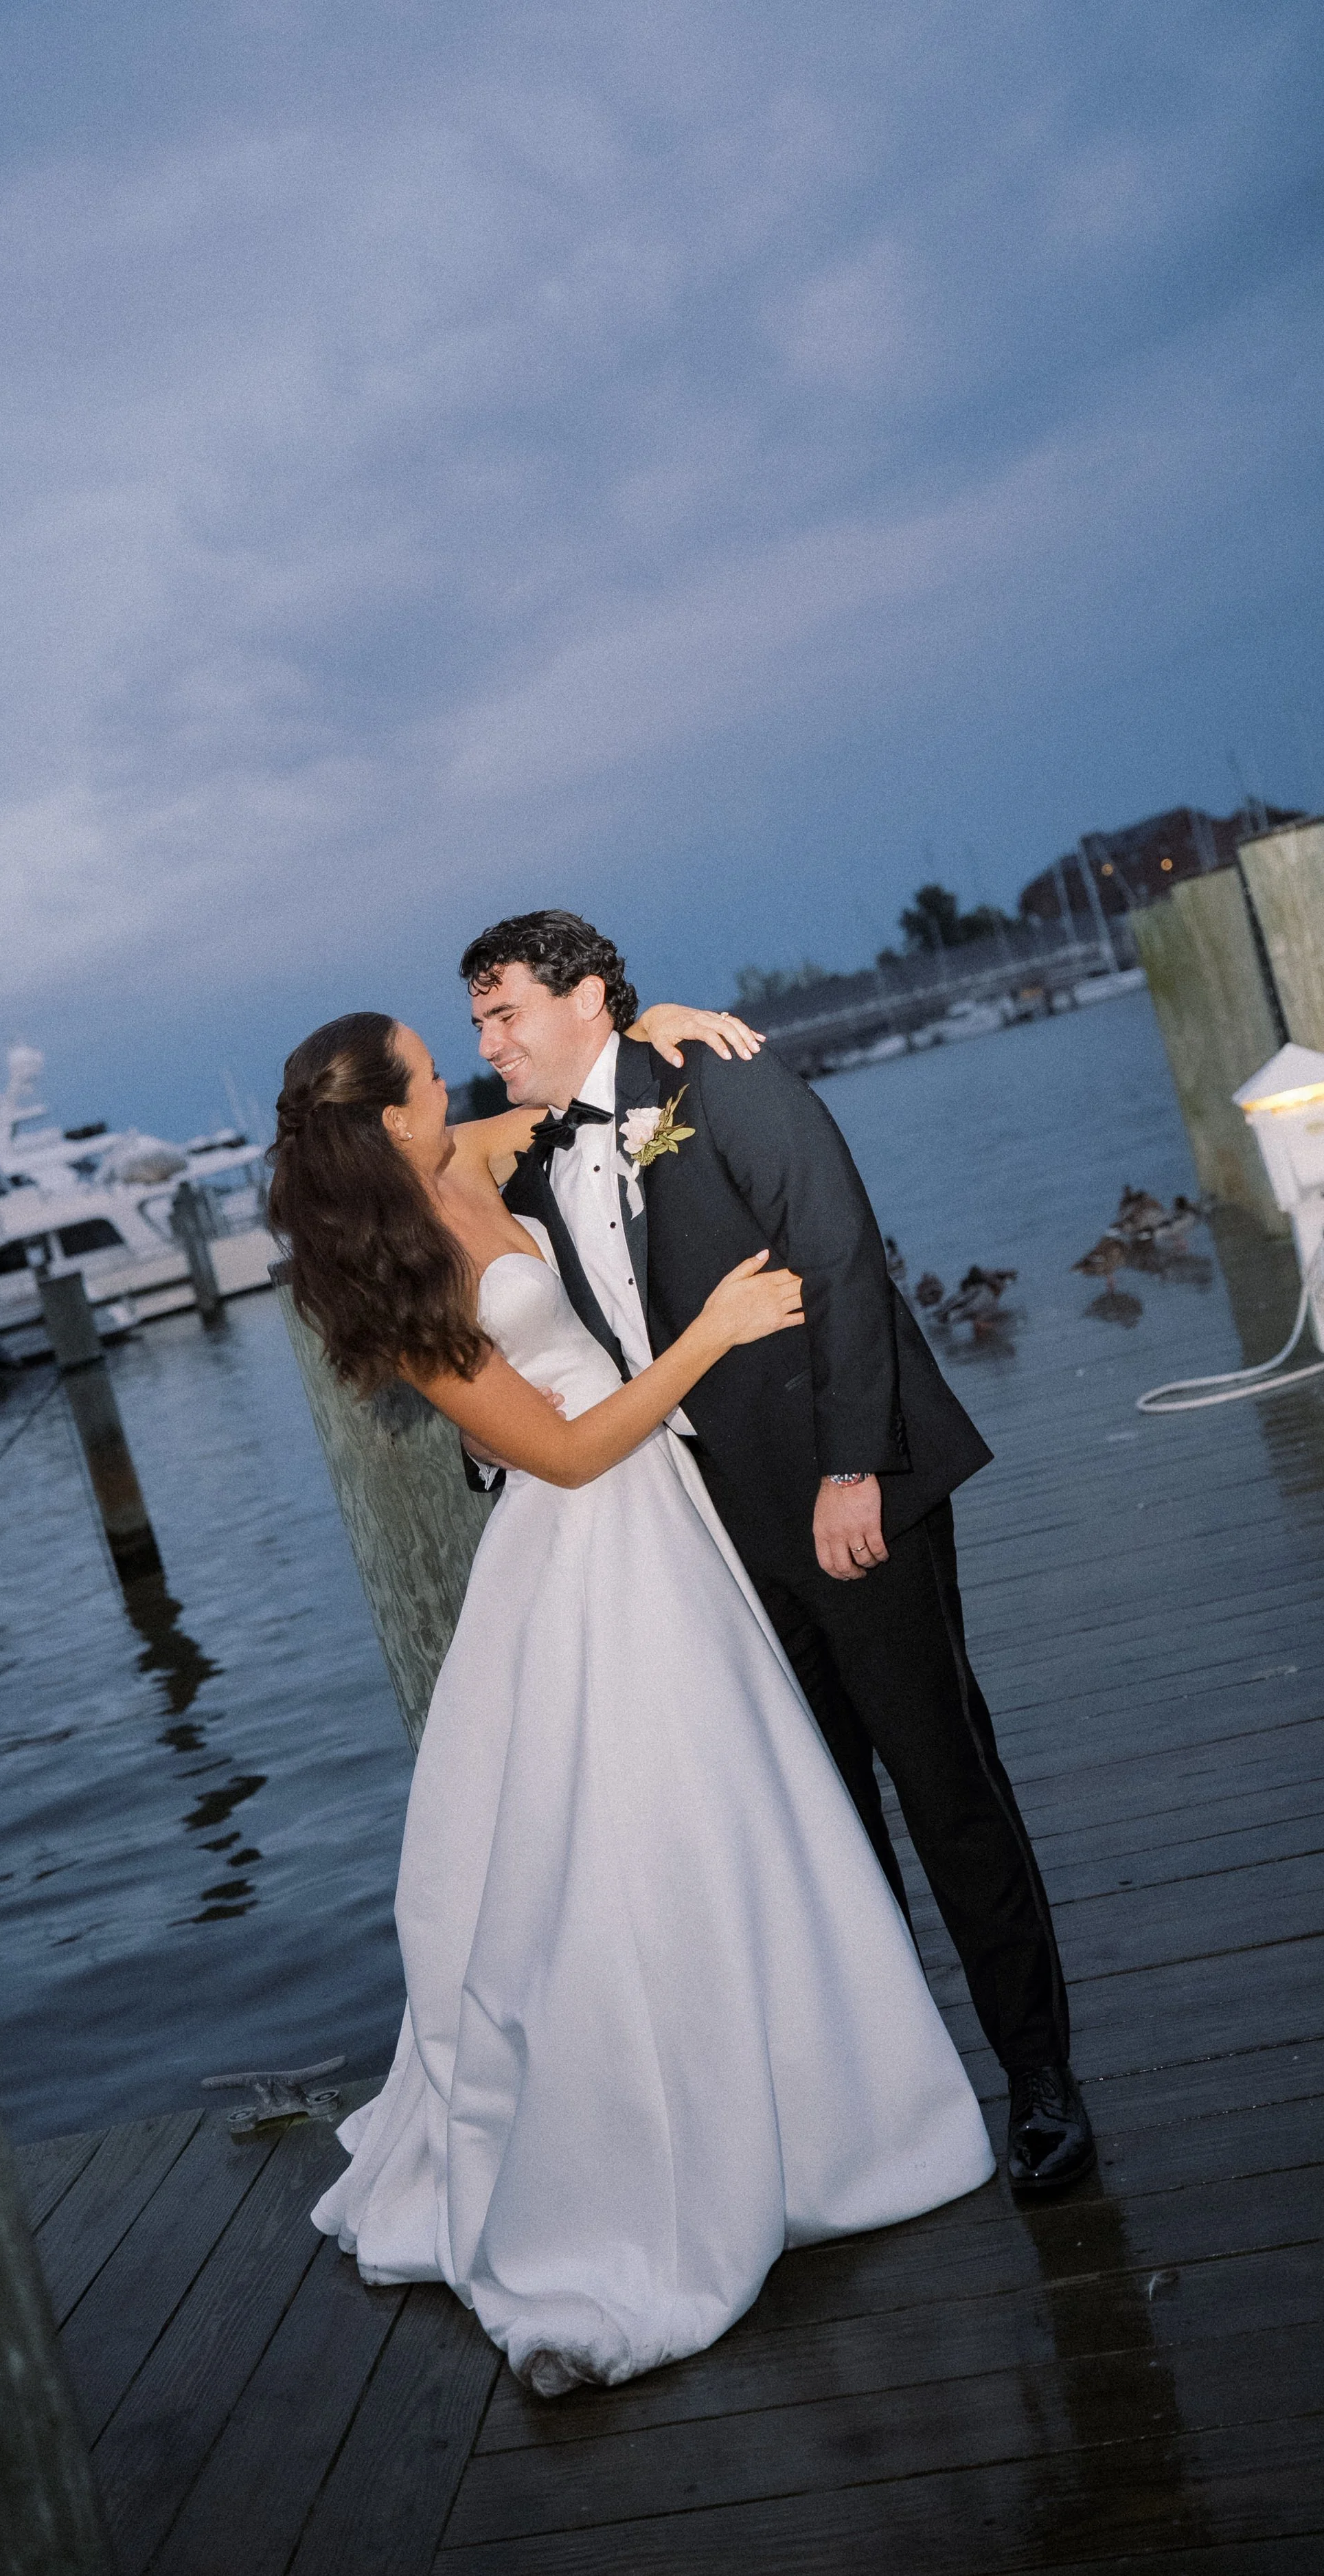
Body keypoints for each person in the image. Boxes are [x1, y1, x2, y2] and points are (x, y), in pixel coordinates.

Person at [271, 1000, 994, 2398]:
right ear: (381, 1117)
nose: (461, 1073)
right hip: (588, 1541)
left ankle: (822, 2101)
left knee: (740, 1815)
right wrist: (713, 1333)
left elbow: (578, 1104)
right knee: (623, 1856)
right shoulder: (399, 1281)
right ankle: (627, 2184)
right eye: (432, 1072)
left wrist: (646, 1021)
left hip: (675, 1523)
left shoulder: (464, 1166)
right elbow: (563, 1448)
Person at [459, 910, 1094, 2200]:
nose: (490, 1041)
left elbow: (841, 1250)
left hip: (847, 1493)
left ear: (584, 995)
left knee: (943, 1782)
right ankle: (887, 2091)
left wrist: (853, 1465)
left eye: (506, 1011)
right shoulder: (533, 1161)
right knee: (823, 1814)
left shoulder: (725, 1077)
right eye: (477, 1022)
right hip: (709, 1532)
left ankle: (1040, 2081)